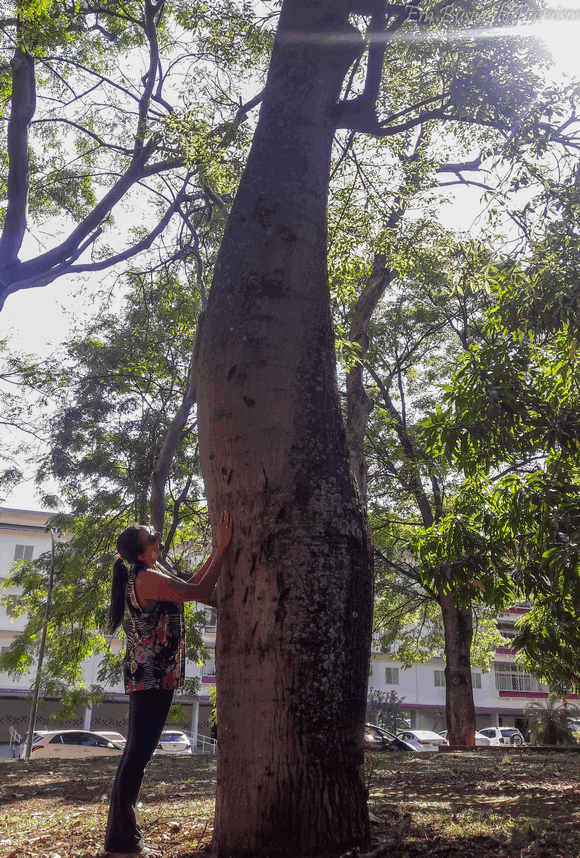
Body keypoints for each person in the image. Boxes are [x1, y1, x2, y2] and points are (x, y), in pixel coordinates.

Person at [104, 512, 233, 858]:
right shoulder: (145, 579)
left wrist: (217, 552)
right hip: (150, 675)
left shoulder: (151, 571)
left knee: (136, 754)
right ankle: (123, 842)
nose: (160, 539)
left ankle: (121, 838)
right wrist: (221, 548)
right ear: (142, 553)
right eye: (154, 538)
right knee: (137, 755)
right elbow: (200, 591)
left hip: (153, 672)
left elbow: (194, 585)